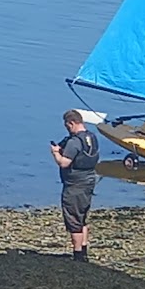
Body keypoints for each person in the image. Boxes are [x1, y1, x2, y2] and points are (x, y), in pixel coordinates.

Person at [51, 108, 99, 260]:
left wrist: (55, 153)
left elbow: (64, 163)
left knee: (73, 217)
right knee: (82, 215)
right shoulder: (92, 137)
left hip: (75, 184)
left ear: (71, 124)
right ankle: (83, 249)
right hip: (89, 180)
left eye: (67, 126)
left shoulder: (74, 142)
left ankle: (77, 253)